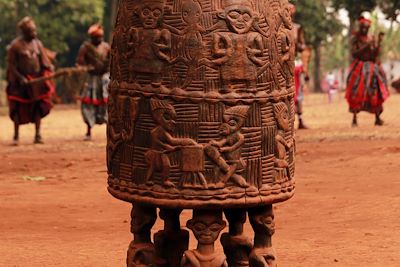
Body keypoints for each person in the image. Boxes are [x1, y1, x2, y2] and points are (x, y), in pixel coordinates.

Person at [6, 17, 55, 145]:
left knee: (38, 107)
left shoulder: (37, 43)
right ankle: (16, 136)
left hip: (36, 81)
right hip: (19, 82)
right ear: (24, 32)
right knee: (18, 108)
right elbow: (11, 66)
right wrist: (20, 78)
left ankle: (37, 135)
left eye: (34, 30)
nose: (34, 33)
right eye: (31, 31)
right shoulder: (15, 46)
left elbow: (44, 61)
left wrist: (49, 68)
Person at [345, 17, 389, 127]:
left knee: (375, 91)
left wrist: (378, 42)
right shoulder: (355, 38)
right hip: (359, 67)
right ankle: (354, 118)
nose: (364, 29)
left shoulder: (371, 38)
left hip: (372, 67)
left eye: (366, 28)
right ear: (360, 27)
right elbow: (354, 53)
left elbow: (374, 54)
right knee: (356, 91)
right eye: (363, 27)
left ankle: (377, 118)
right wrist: (366, 46)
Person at [76, 24, 110, 140]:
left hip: (104, 79)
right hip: (91, 79)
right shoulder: (85, 47)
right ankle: (89, 131)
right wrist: (86, 67)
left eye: (100, 37)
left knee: (107, 104)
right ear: (92, 38)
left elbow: (112, 61)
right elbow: (79, 63)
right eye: (96, 38)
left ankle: (109, 131)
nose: (99, 39)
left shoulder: (106, 47)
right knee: (89, 104)